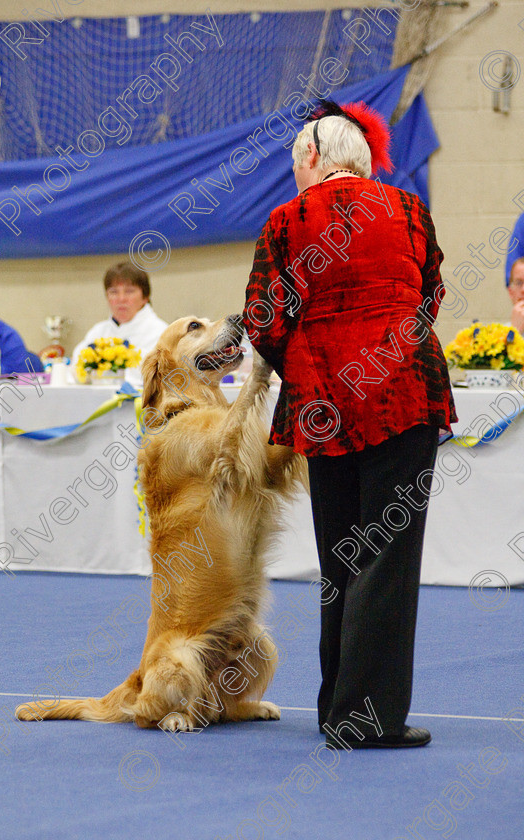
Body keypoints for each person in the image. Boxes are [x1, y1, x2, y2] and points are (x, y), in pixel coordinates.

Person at [242, 100, 457, 750]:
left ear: (311, 158)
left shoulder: (286, 220)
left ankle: (340, 707)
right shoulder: (409, 210)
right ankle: (368, 718)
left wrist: (306, 363)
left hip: (324, 398)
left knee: (341, 551)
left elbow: (264, 319)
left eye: (294, 164)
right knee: (387, 557)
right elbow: (431, 293)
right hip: (404, 389)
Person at [71, 262, 168, 379]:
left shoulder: (161, 333)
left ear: (145, 297)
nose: (121, 299)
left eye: (129, 291)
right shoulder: (98, 332)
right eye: (114, 292)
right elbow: (76, 369)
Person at [507, 257, 524, 333]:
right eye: (519, 283)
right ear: (511, 292)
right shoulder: (498, 337)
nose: (523, 289)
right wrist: (515, 332)